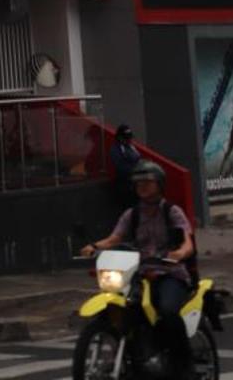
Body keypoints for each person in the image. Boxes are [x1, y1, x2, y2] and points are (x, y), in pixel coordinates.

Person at [82, 159, 196, 379]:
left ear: (159, 184)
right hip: (140, 274)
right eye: (138, 183)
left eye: (147, 182)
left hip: (169, 274)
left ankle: (184, 364)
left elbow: (187, 242)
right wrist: (94, 247)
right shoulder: (131, 215)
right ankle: (138, 354)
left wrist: (180, 253)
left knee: (168, 311)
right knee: (126, 309)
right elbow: (114, 238)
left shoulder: (172, 211)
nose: (142, 186)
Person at [109, 122, 141, 207]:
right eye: (126, 138)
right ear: (119, 138)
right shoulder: (115, 149)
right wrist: (137, 169)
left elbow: (138, 159)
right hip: (124, 185)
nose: (129, 140)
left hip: (135, 184)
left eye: (129, 138)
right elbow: (121, 167)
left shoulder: (131, 147)